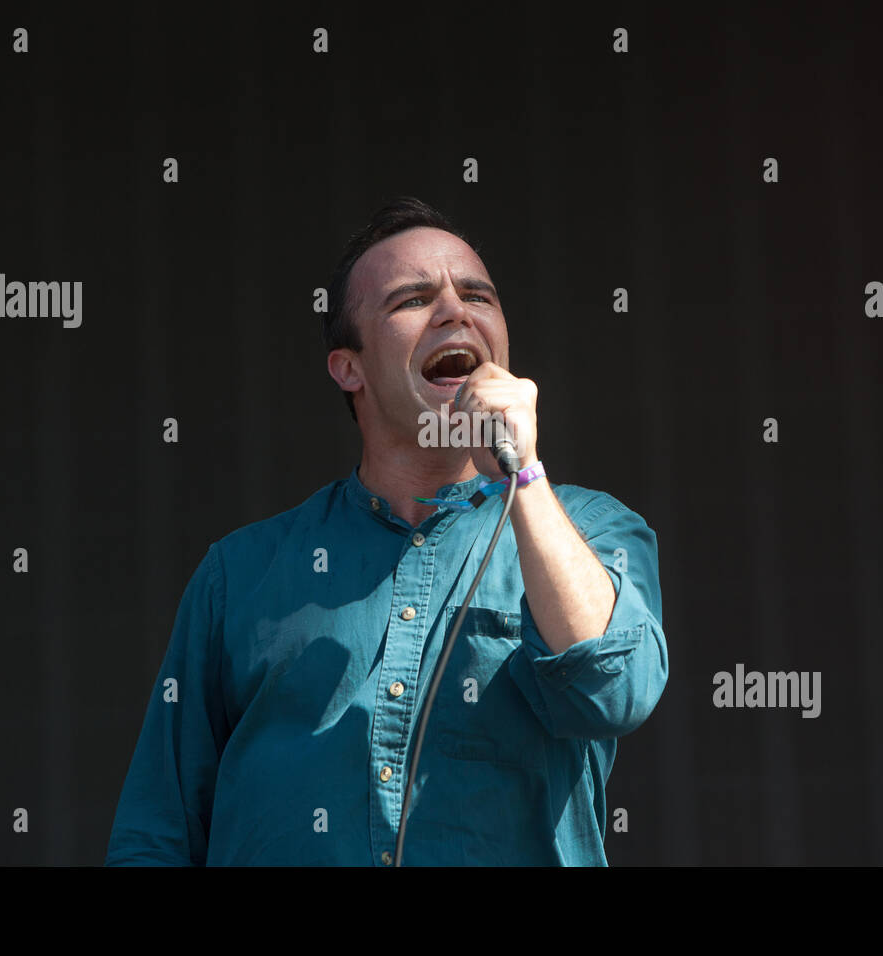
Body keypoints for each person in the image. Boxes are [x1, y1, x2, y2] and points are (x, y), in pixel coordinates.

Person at [105, 197, 668, 866]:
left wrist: (524, 476)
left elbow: (613, 690)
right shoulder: (241, 573)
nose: (456, 311)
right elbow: (157, 834)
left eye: (478, 296)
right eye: (413, 299)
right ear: (350, 367)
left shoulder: (591, 527)